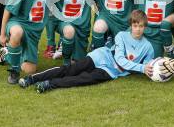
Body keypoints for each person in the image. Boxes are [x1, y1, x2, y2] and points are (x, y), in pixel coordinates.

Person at [17, 10, 154, 93]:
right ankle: (32, 79)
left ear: (145, 27)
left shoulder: (148, 47)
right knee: (70, 69)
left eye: (141, 26)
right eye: (135, 26)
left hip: (110, 72)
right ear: (131, 25)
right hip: (101, 57)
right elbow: (120, 60)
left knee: (81, 79)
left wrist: (152, 70)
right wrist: (142, 68)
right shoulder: (121, 36)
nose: (138, 29)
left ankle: (49, 84)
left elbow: (148, 67)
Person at [0, 0, 50, 84]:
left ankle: (7, 52)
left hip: (33, 33)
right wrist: (2, 34)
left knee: (30, 70)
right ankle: (14, 71)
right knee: (17, 33)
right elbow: (7, 10)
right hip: (18, 23)